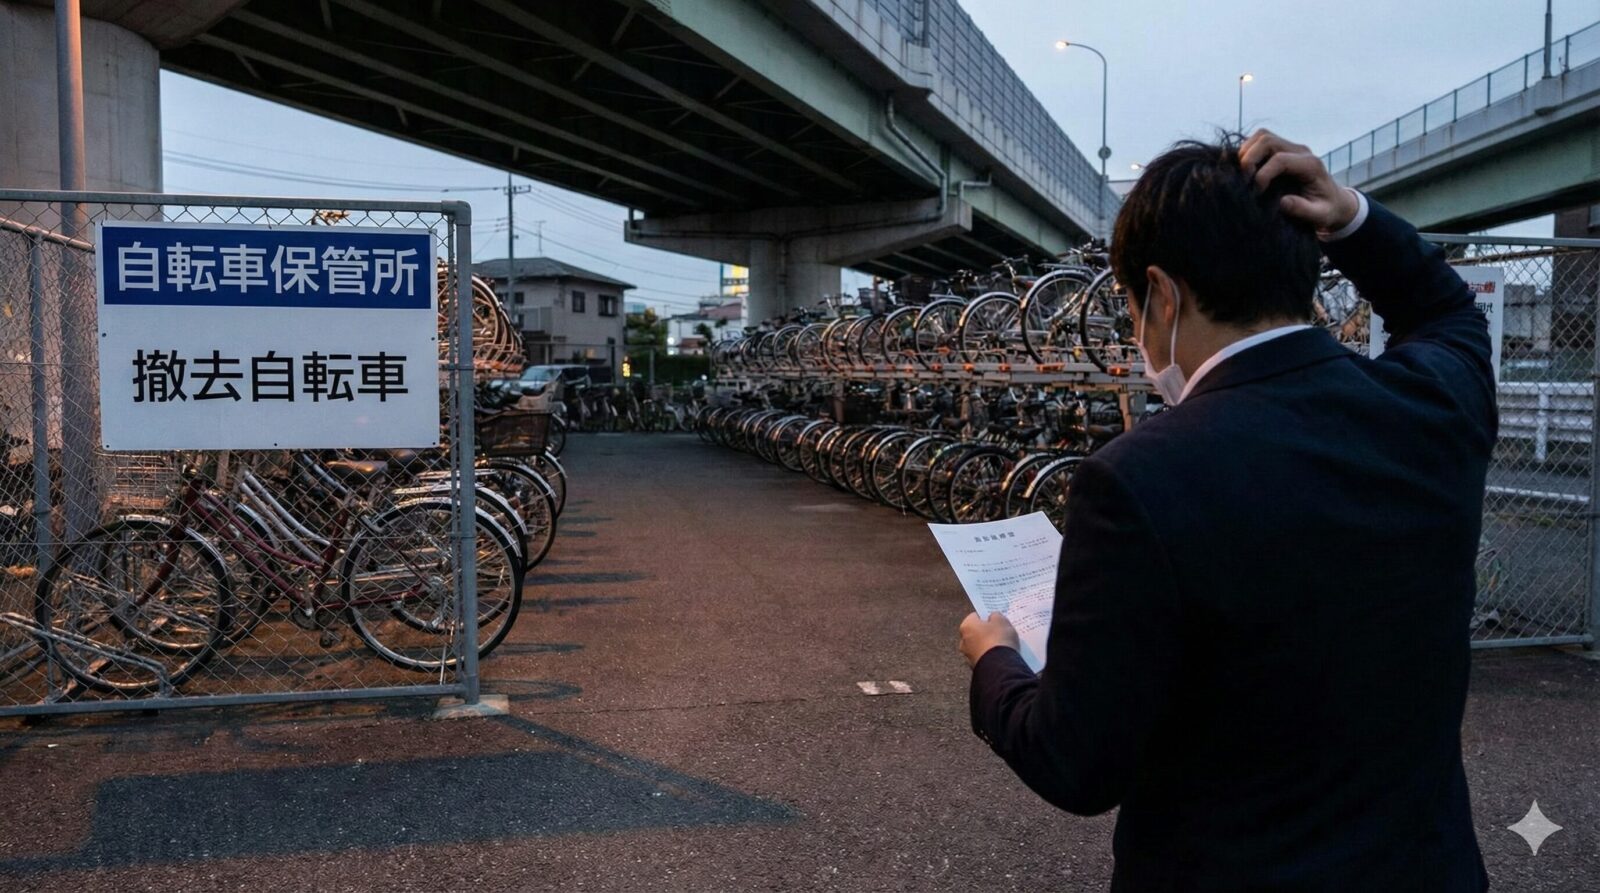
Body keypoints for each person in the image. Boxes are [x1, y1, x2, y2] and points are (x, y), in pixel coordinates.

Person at [958, 131, 1494, 892]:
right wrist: (1353, 218)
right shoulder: (1434, 408)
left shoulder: (1137, 480)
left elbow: (1074, 762)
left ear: (1164, 294)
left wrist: (996, 661)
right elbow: (1449, 314)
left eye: (1134, 309)